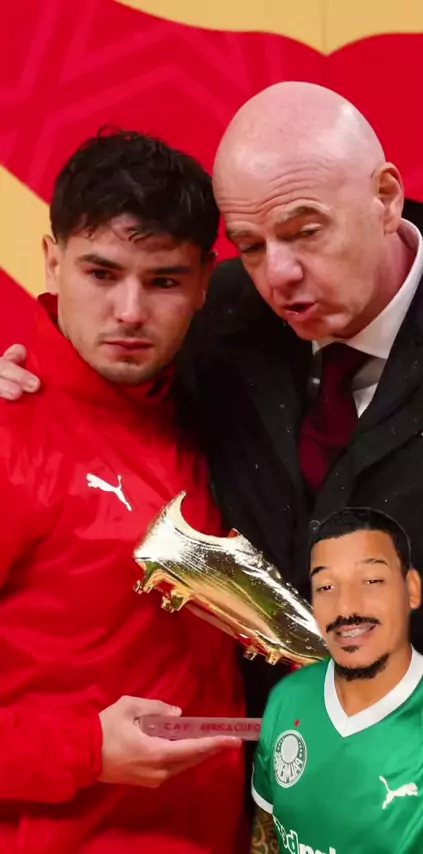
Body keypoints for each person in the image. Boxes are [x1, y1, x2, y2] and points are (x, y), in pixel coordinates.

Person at [3, 82, 423, 684]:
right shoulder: (222, 316)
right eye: (250, 246)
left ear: (385, 198)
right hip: (241, 740)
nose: (278, 275)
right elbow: (101, 387)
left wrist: (413, 712)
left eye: (306, 231)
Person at [0, 129, 246, 854]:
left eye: (163, 280)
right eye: (101, 273)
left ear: (204, 281)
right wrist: (81, 749)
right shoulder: (11, 434)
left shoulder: (214, 413)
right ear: (52, 261)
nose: (130, 311)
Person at [251, 507, 423, 854]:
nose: (346, 608)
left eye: (371, 581)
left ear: (411, 589)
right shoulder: (288, 700)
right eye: (327, 586)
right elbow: (267, 835)